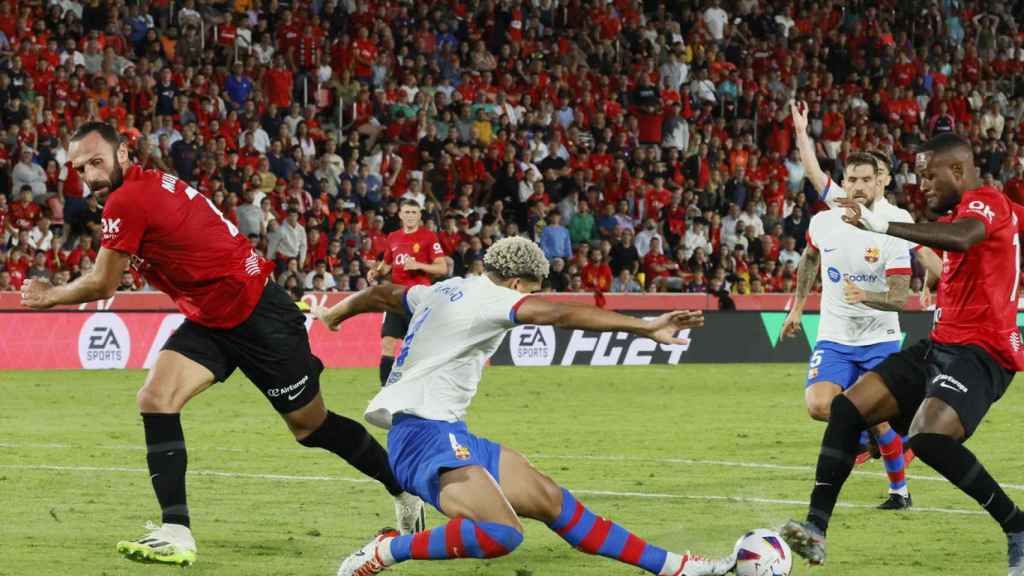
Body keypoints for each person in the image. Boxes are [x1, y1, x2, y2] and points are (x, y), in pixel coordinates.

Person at [19, 122, 423, 567]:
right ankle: (176, 531)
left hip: (257, 314)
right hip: (212, 315)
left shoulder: (125, 199)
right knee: (156, 398)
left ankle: (403, 487)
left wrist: (49, 295)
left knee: (312, 427)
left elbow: (103, 282)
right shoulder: (145, 185)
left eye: (97, 162)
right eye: (81, 168)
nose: (91, 175)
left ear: (123, 155)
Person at [314, 237, 735, 576]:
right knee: (501, 533)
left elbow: (385, 294)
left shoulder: (449, 287)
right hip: (424, 437)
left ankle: (674, 568)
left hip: (447, 432)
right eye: (532, 290)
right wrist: (643, 326)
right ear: (517, 285)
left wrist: (337, 314)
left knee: (551, 499)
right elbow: (557, 315)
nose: (532, 299)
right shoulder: (494, 299)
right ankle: (387, 551)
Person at [781, 134, 1024, 574]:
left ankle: (1017, 527)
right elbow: (969, 244)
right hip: (942, 342)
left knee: (928, 438)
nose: (923, 185)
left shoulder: (986, 201)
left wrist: (880, 226)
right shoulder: (981, 212)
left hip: (983, 351)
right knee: (847, 407)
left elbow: (964, 237)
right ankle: (815, 528)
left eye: (930, 176)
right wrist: (940, 280)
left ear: (958, 171)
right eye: (919, 175)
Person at [780, 152, 915, 510]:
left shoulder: (891, 227)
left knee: (880, 418)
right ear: (844, 182)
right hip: (835, 337)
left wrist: (867, 295)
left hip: (880, 340)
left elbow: (900, 297)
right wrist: (796, 307)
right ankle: (869, 432)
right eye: (851, 180)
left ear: (878, 182)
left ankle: (899, 492)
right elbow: (809, 259)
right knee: (818, 405)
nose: (858, 186)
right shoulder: (824, 223)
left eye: (865, 180)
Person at [367, 198, 446, 387]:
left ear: (419, 216)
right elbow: (386, 265)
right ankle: (385, 390)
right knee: (387, 342)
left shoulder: (428, 237)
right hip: (395, 297)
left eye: (414, 212)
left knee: (419, 347)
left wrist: (418, 265)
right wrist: (375, 271)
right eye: (407, 212)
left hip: (419, 298)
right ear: (400, 215)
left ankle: (424, 386)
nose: (410, 216)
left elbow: (442, 268)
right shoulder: (393, 237)